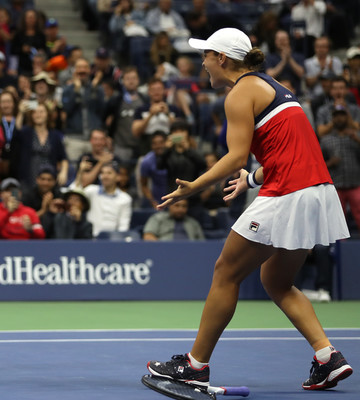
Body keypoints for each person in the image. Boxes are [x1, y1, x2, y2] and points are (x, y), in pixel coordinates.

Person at [145, 27, 353, 392]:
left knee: (225, 271)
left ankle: (195, 366)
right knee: (277, 281)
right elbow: (285, 152)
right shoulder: (270, 87)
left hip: (288, 193)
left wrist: (195, 186)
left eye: (206, 56)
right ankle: (328, 357)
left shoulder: (239, 94)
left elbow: (235, 156)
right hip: (317, 192)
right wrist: (251, 180)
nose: (203, 64)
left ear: (222, 58)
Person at [320, 105, 360, 230]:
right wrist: (330, 163)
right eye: (336, 116)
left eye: (342, 115)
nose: (340, 119)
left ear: (347, 117)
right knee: (337, 221)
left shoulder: (356, 136)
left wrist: (357, 140)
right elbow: (318, 165)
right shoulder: (326, 140)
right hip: (335, 186)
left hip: (355, 184)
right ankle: (338, 248)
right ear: (332, 118)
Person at [74, 161, 132, 237]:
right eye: (102, 173)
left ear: (117, 177)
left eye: (109, 173)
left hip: (113, 240)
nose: (105, 176)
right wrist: (80, 172)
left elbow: (124, 225)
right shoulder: (91, 191)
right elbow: (75, 194)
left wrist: (119, 240)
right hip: (91, 238)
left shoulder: (125, 199)